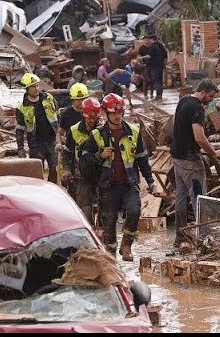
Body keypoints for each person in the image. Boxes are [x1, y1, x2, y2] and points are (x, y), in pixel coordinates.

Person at [79, 93, 156, 261]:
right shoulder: (97, 135)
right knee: (109, 223)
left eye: (120, 112)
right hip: (108, 186)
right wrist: (99, 156)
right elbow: (84, 159)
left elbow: (143, 159)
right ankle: (112, 256)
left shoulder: (133, 133)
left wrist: (150, 181)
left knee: (135, 211)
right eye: (113, 112)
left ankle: (126, 245)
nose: (117, 115)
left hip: (129, 183)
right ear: (106, 113)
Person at [170, 79, 220, 249]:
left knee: (180, 197)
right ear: (203, 91)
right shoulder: (196, 108)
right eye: (210, 96)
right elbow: (199, 137)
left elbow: (181, 128)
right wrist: (214, 153)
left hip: (177, 157)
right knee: (199, 198)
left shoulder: (184, 101)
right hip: (190, 160)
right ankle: (204, 240)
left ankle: (180, 238)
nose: (210, 100)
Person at [62, 97, 102, 225]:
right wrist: (67, 169)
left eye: (94, 118)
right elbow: (68, 152)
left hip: (102, 174)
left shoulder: (104, 130)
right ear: (83, 116)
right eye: (88, 118)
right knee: (85, 209)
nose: (91, 121)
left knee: (104, 209)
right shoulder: (74, 131)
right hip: (82, 175)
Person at [16, 72, 59, 183]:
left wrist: (60, 137)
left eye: (37, 85)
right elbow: (20, 129)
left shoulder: (48, 98)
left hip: (51, 140)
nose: (36, 88)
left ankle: (52, 192)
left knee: (55, 169)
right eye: (32, 86)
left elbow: (58, 116)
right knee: (36, 172)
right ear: (27, 89)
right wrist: (20, 148)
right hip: (36, 144)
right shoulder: (22, 108)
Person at [57, 83, 89, 147]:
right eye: (78, 100)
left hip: (88, 147)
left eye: (83, 99)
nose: (81, 102)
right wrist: (59, 143)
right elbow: (60, 133)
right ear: (72, 100)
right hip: (71, 148)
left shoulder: (91, 112)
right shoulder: (66, 114)